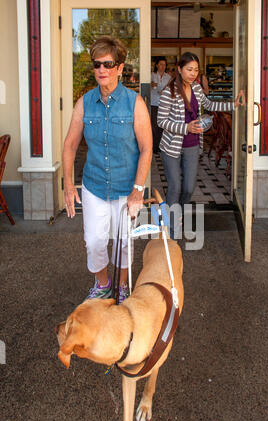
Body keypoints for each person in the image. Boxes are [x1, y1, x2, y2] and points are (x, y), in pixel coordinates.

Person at [62, 36, 152, 301]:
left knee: (124, 243)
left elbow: (147, 148)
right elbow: (69, 145)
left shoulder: (135, 103)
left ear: (120, 68)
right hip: (95, 185)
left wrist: (138, 190)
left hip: (127, 186)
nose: (101, 70)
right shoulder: (84, 103)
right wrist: (68, 185)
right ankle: (102, 284)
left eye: (107, 64)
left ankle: (122, 287)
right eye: (96, 64)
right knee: (95, 241)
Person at [157, 52, 245, 239]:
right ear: (179, 70)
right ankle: (171, 230)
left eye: (196, 70)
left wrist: (234, 105)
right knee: (175, 187)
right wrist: (186, 127)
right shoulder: (168, 92)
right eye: (189, 69)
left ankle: (175, 214)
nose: (193, 73)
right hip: (171, 145)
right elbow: (161, 121)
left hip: (191, 145)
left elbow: (210, 104)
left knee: (188, 187)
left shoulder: (197, 89)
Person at [151, 57, 171, 154]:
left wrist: (166, 91)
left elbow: (171, 89)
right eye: (161, 64)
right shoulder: (151, 75)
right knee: (154, 126)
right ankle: (154, 147)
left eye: (164, 65)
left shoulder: (168, 77)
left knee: (162, 126)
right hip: (153, 103)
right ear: (156, 65)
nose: (163, 66)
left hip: (164, 104)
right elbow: (148, 87)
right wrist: (151, 85)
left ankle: (160, 147)